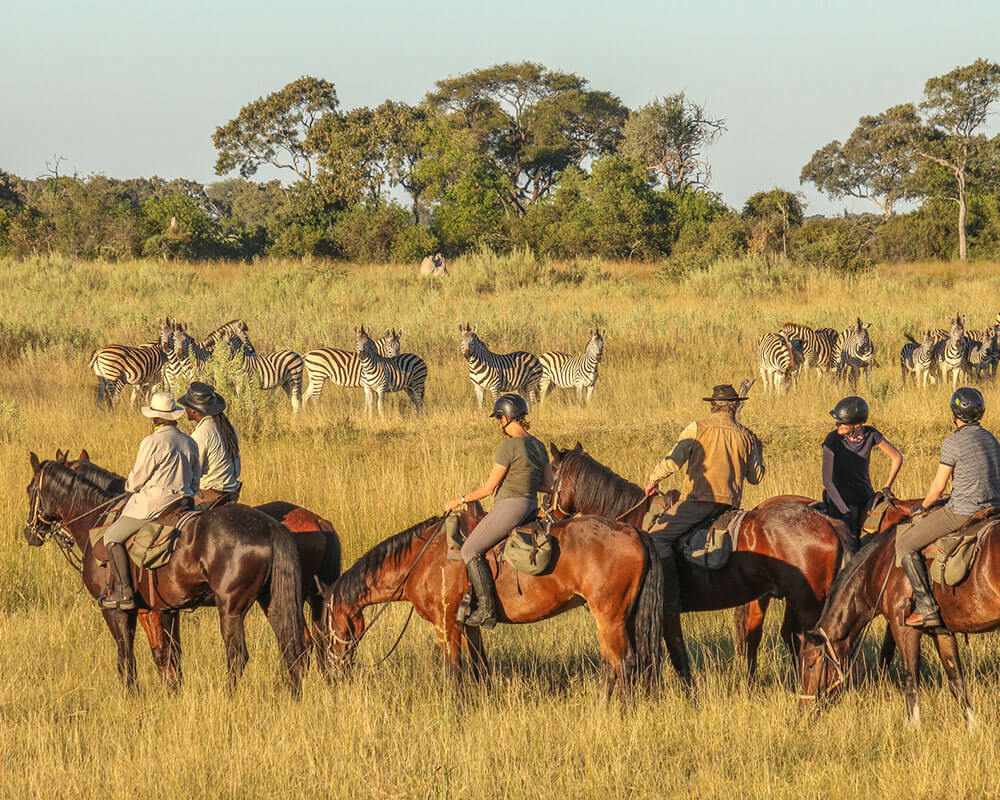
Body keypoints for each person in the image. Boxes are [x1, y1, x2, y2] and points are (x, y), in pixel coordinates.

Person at [643, 384, 765, 614]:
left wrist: (653, 479)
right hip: (730, 505)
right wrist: (759, 450)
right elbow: (756, 477)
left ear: (713, 405)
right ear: (734, 406)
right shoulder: (746, 436)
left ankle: (669, 600)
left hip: (697, 502)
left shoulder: (697, 427)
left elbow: (674, 461)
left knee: (655, 540)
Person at [443, 393, 555, 628]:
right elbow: (548, 486)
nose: (498, 423)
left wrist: (459, 499)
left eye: (499, 419)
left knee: (470, 549)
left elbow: (489, 487)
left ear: (506, 418)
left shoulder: (508, 446)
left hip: (509, 506)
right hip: (531, 506)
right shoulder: (539, 445)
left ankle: (486, 609)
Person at [896, 387, 1000, 629]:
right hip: (995, 509)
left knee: (905, 544)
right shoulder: (992, 438)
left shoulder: (953, 442)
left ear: (954, 414)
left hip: (963, 511)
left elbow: (938, 487)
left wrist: (922, 506)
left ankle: (926, 608)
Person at [100, 392, 201, 610]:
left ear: (154, 419)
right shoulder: (189, 442)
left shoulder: (152, 441)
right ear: (174, 417)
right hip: (184, 502)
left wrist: (130, 486)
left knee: (112, 536)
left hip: (155, 504)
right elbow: (195, 479)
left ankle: (124, 592)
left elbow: (138, 478)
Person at [822, 396, 903, 543]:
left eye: (842, 422)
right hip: (840, 499)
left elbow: (897, 457)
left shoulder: (871, 434)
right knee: (847, 546)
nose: (837, 424)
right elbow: (827, 481)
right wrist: (844, 511)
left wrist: (887, 486)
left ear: (857, 424)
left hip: (865, 496)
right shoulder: (832, 440)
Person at [178, 381, 242, 509]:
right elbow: (238, 469)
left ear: (194, 410)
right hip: (231, 493)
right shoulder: (227, 428)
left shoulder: (201, 434)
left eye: (187, 405)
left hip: (209, 498)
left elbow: (193, 472)